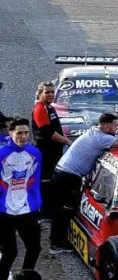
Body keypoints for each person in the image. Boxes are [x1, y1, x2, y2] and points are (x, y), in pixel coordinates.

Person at [49, 114, 118, 253]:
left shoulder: (95, 132)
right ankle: (56, 244)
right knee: (65, 210)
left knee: (65, 209)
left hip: (65, 173)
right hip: (68, 176)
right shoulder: (101, 138)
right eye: (115, 125)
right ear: (106, 126)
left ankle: (60, 239)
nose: (116, 127)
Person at [0, 119, 43, 280]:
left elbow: (35, 180)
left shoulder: (35, 153)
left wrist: (36, 202)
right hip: (4, 211)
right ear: (10, 133)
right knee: (10, 251)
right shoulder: (2, 153)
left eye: (26, 132)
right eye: (19, 133)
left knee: (34, 248)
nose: (24, 136)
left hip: (26, 209)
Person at [31, 82, 70, 221]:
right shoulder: (40, 109)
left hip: (53, 151)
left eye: (52, 92)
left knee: (51, 180)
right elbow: (48, 133)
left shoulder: (49, 107)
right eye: (47, 92)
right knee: (45, 181)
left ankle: (50, 209)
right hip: (45, 152)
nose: (51, 94)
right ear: (40, 93)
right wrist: (67, 141)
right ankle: (44, 213)